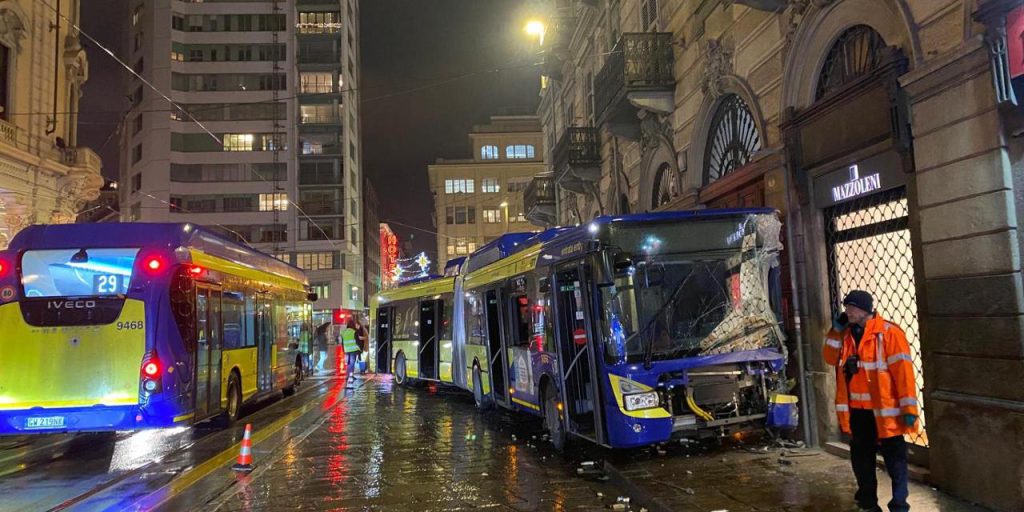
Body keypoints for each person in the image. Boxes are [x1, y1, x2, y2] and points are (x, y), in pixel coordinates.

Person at [823, 290, 919, 512]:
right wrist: (835, 332)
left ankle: (899, 504)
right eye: (847, 307)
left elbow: (903, 374)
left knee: (895, 460)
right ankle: (868, 502)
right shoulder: (845, 335)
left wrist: (909, 408)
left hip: (887, 411)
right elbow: (829, 357)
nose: (848, 312)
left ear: (866, 310)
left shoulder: (889, 333)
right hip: (859, 411)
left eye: (853, 308)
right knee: (862, 460)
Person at [341, 318, 360, 387]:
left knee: (348, 363)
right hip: (353, 350)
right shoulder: (354, 331)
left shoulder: (344, 332)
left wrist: (343, 350)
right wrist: (359, 349)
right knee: (352, 363)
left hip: (346, 350)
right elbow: (357, 341)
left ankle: (348, 375)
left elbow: (342, 343)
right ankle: (351, 376)